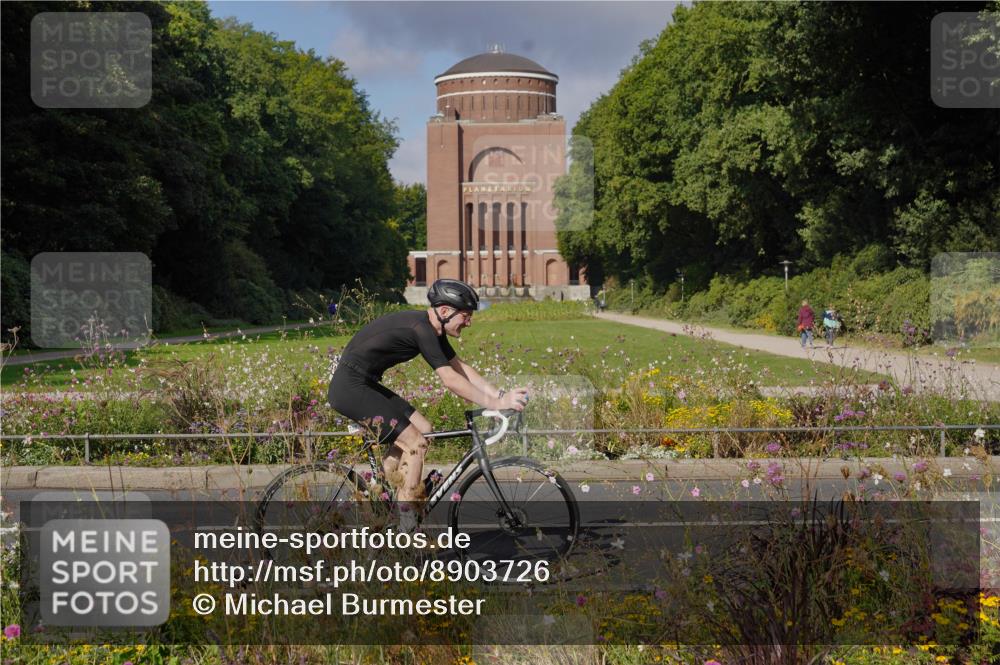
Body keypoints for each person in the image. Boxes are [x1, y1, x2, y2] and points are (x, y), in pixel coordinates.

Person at [327, 279, 529, 527]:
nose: (469, 321)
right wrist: (495, 403)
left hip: (363, 384)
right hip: (350, 388)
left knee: (424, 428)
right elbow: (450, 380)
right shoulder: (420, 328)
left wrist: (499, 396)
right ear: (444, 312)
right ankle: (406, 522)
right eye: (465, 315)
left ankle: (383, 494)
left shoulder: (433, 330)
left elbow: (461, 368)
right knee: (416, 443)